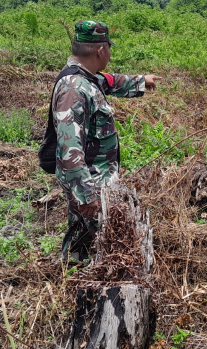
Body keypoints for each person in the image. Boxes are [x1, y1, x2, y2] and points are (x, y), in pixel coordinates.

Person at [50, 20, 160, 264]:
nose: (110, 54)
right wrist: (87, 196)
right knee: (97, 243)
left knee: (84, 239)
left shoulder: (86, 78)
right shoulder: (74, 89)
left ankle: (75, 272)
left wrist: (142, 80)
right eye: (109, 48)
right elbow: (69, 148)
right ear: (101, 50)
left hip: (94, 182)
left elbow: (110, 81)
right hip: (90, 185)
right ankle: (84, 284)